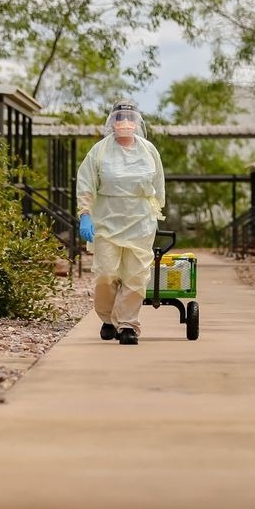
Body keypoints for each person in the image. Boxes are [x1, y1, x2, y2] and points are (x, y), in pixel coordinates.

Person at [76, 100, 166, 345]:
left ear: (137, 123)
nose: (124, 123)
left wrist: (156, 211)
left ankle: (127, 325)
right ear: (112, 122)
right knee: (107, 273)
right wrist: (85, 214)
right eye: (120, 118)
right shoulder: (99, 151)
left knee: (136, 274)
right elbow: (85, 183)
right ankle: (107, 318)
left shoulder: (149, 151)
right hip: (107, 219)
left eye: (129, 118)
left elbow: (158, 187)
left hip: (141, 221)